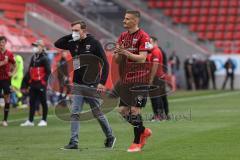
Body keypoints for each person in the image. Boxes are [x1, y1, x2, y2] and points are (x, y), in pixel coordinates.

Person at [54, 20, 116, 149]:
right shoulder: (72, 43)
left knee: (96, 112)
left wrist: (102, 82)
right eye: (72, 30)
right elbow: (57, 43)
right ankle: (74, 142)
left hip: (91, 84)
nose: (74, 33)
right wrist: (71, 35)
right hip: (77, 83)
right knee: (75, 112)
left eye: (76, 30)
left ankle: (110, 136)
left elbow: (105, 63)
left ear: (84, 31)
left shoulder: (94, 43)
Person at [113, 10, 152, 152]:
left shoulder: (144, 36)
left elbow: (142, 58)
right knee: (123, 110)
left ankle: (136, 143)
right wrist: (118, 52)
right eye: (124, 18)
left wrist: (127, 53)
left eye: (127, 19)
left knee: (135, 110)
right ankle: (143, 130)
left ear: (135, 21)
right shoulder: (122, 36)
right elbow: (117, 60)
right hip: (126, 79)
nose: (124, 21)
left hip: (140, 78)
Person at [20, 40, 51, 127]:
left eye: (36, 46)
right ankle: (30, 121)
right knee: (32, 101)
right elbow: (29, 71)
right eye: (34, 45)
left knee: (43, 101)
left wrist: (43, 82)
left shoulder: (45, 58)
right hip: (33, 83)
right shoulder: (33, 57)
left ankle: (44, 120)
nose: (35, 47)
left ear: (42, 47)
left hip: (41, 84)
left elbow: (48, 72)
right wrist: (25, 83)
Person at [148, 36, 170, 121]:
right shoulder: (156, 51)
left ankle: (158, 115)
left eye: (149, 42)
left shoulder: (156, 51)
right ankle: (165, 114)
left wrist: (151, 78)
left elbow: (155, 65)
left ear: (154, 42)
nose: (148, 44)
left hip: (157, 77)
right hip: (161, 76)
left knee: (155, 96)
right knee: (162, 96)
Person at [0, 36, 16, 127]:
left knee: (7, 98)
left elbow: (14, 64)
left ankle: (5, 120)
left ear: (5, 43)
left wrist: (12, 73)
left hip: (6, 79)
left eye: (2, 42)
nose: (0, 44)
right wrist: (3, 62)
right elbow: (3, 63)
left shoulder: (9, 53)